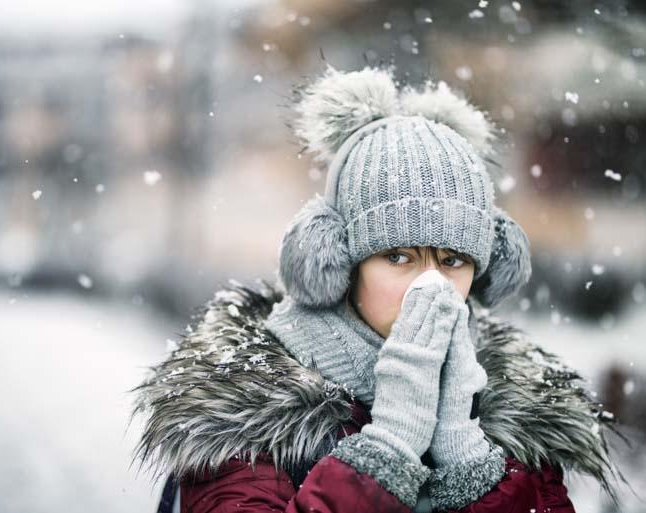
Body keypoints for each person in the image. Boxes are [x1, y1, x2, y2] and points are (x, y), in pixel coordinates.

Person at [131, 65, 620, 512]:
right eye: (398, 256)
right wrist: (389, 450)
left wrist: (472, 464)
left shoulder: (514, 418)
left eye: (453, 260)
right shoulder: (247, 421)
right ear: (334, 260)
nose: (431, 284)